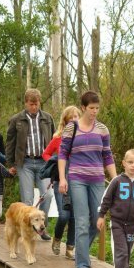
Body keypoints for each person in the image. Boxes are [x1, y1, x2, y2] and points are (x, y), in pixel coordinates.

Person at [58, 90, 117, 268]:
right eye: (91, 108)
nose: (94, 111)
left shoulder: (102, 129)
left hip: (97, 179)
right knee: (82, 221)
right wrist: (62, 178)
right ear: (83, 107)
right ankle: (82, 263)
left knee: (96, 221)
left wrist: (115, 180)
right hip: (77, 179)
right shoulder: (71, 128)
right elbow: (62, 154)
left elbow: (107, 155)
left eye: (97, 108)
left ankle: (81, 250)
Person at [6, 88, 55, 241]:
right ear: (26, 103)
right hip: (24, 162)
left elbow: (54, 141)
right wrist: (11, 163)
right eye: (31, 104)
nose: (34, 107)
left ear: (40, 102)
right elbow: (10, 142)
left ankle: (42, 228)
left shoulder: (48, 118)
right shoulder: (16, 119)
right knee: (27, 201)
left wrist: (54, 161)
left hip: (43, 163)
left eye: (36, 104)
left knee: (48, 195)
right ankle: (27, 232)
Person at [42, 106, 81, 259]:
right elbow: (46, 153)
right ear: (65, 121)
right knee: (64, 215)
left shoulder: (82, 139)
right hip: (61, 181)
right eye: (71, 117)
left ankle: (70, 248)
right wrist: (54, 164)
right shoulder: (58, 138)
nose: (74, 120)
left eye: (76, 117)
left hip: (78, 182)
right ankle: (57, 239)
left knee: (74, 217)